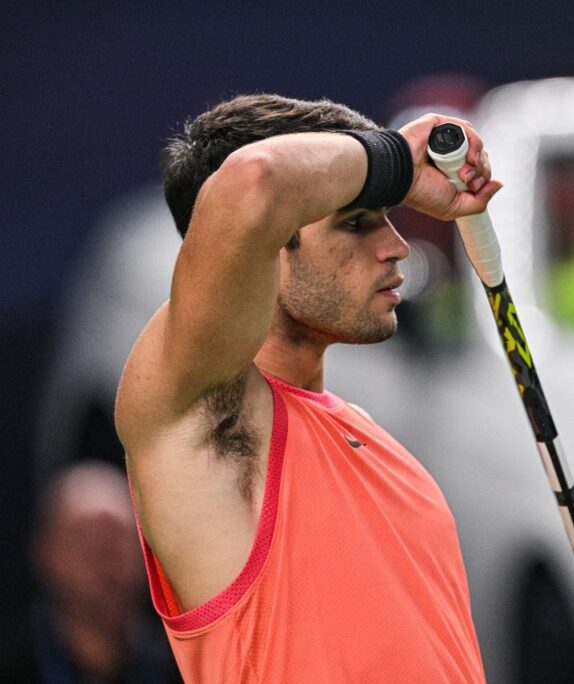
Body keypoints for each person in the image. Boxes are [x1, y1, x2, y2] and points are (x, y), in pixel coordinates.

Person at [114, 94, 501, 682]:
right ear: (265, 250)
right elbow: (254, 180)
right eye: (356, 221)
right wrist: (397, 158)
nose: (398, 245)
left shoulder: (373, 440)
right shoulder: (206, 421)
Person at [0, 461, 179, 683]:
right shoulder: (11, 665)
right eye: (85, 537)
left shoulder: (184, 668)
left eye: (118, 538)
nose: (103, 557)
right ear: (45, 550)